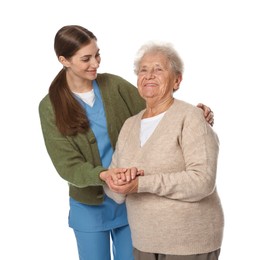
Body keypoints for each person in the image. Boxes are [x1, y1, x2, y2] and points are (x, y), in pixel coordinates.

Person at [39, 25, 215, 260]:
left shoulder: (113, 86)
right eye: (86, 59)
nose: (96, 63)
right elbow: (66, 165)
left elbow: (155, 109)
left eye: (97, 54)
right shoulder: (50, 106)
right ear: (64, 60)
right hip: (89, 206)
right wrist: (104, 175)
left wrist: (191, 113)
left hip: (131, 201)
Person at [104, 42, 224, 260]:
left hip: (189, 243)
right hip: (143, 242)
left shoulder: (191, 118)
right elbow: (115, 192)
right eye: (143, 70)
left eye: (158, 69)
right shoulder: (129, 125)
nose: (149, 75)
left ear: (177, 80)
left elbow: (202, 181)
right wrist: (118, 182)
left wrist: (141, 183)